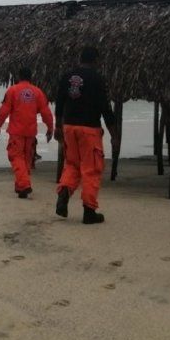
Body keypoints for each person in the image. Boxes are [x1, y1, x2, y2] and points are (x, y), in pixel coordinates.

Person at [54, 47, 119, 224]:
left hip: (69, 127)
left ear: (80, 58)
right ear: (96, 60)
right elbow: (106, 107)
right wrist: (114, 134)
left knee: (72, 164)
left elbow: (59, 101)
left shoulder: (67, 76)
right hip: (89, 129)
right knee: (91, 169)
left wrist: (57, 126)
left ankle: (64, 192)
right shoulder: (97, 79)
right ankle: (89, 211)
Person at [0, 68, 54, 199]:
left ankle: (24, 184)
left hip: (17, 132)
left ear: (18, 77)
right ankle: (21, 187)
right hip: (30, 132)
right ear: (30, 77)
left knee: (16, 157)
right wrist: (50, 128)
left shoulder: (13, 91)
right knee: (26, 159)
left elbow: (4, 110)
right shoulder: (38, 92)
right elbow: (46, 112)